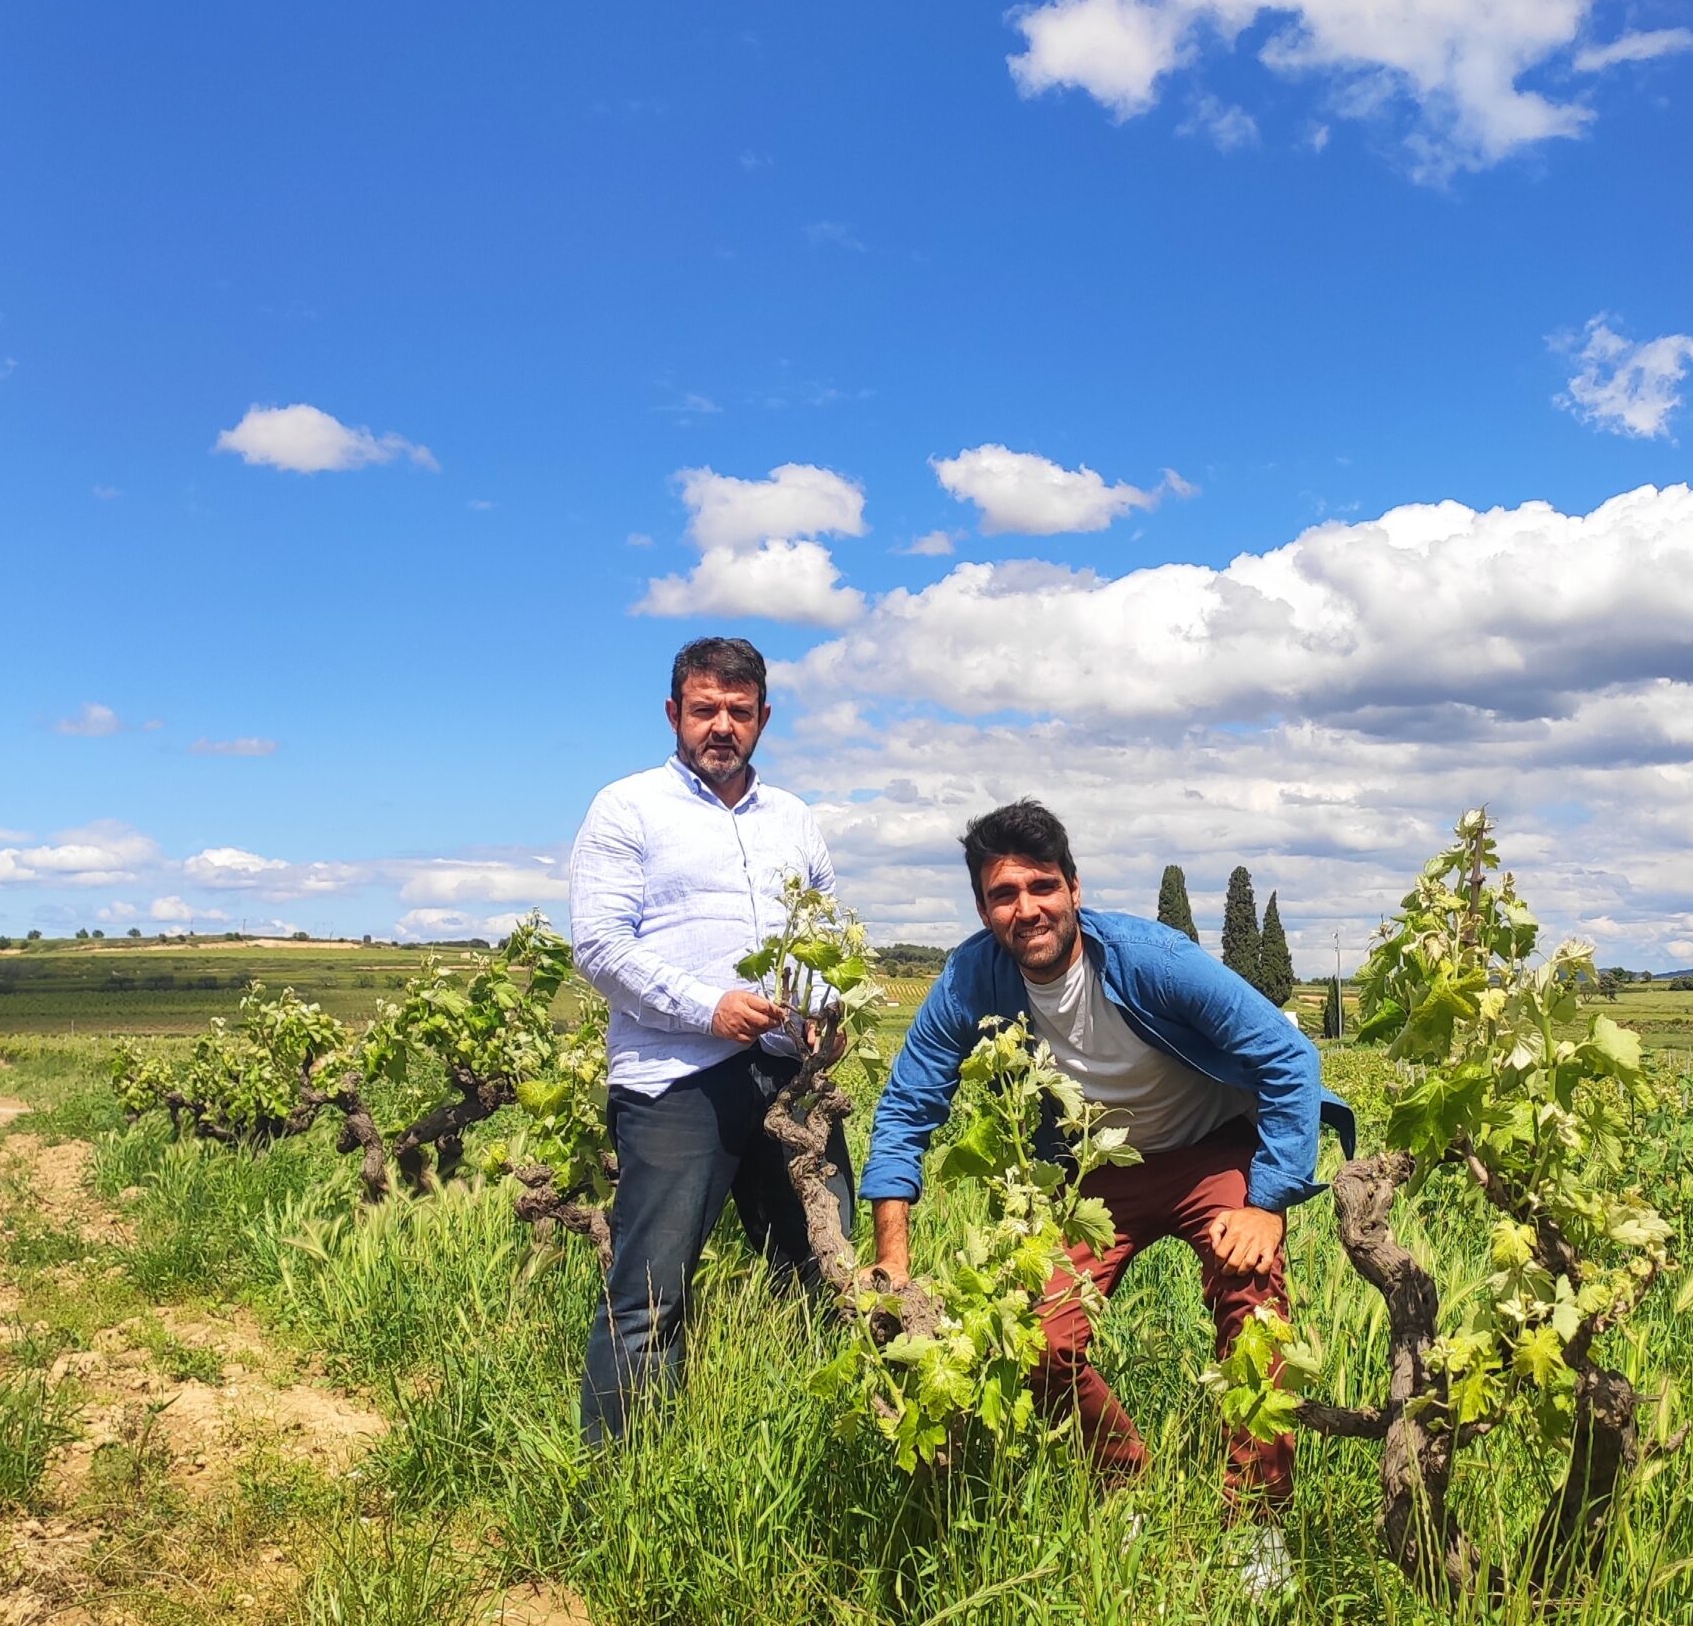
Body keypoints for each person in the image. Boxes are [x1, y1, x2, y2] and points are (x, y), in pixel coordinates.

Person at [861, 800, 1351, 1568]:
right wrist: (892, 1255)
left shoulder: (1150, 957)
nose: (1027, 908)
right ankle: (1122, 1479)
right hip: (1101, 1170)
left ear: (1075, 889)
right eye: (1003, 893)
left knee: (1253, 1305)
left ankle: (1257, 1525)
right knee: (1038, 1337)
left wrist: (1266, 1202)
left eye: (1042, 885)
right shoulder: (970, 978)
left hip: (1211, 1149)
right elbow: (904, 1107)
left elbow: (1290, 1060)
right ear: (983, 908)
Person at [569, 635, 854, 1444]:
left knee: (826, 1274)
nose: (721, 726)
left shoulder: (795, 819)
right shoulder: (626, 808)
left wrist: (825, 1018)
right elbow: (598, 945)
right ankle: (620, 1487)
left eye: (739, 710)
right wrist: (708, 1008)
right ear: (673, 714)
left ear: (764, 716)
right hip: (674, 1078)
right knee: (649, 1294)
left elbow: (825, 943)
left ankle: (828, 1453)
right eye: (704, 710)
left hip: (788, 1079)